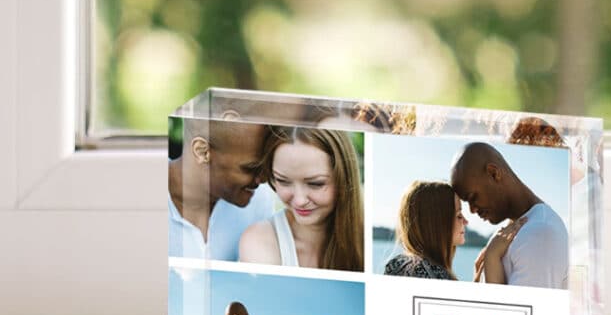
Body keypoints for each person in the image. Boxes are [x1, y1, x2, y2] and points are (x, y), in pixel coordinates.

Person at [238, 127, 364, 271]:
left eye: (315, 184)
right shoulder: (258, 241)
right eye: (283, 181)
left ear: (344, 179)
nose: (299, 201)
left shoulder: (364, 239)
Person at [450, 141, 569, 289]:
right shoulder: (507, 233)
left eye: (473, 197)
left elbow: (521, 312)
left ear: (494, 174)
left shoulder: (539, 232)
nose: (472, 210)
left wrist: (491, 258)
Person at [168, 114, 277, 260]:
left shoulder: (260, 199)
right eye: (251, 169)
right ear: (202, 152)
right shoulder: (140, 195)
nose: (263, 179)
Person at [383, 181, 467, 280]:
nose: (466, 221)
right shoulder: (437, 276)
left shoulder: (395, 265)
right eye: (459, 215)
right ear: (437, 222)